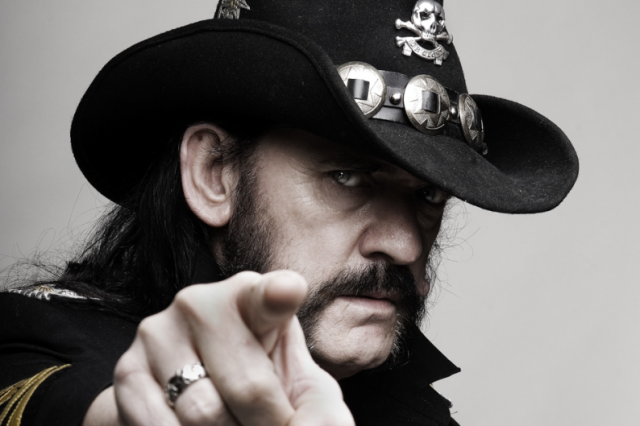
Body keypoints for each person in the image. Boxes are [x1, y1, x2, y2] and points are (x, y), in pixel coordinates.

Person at [0, 0, 579, 425]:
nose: (405, 245)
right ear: (214, 175)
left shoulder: (413, 412)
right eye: (346, 177)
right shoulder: (34, 345)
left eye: (428, 196)